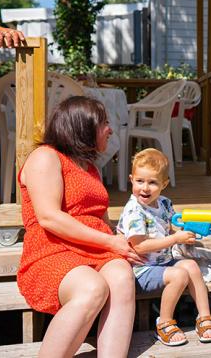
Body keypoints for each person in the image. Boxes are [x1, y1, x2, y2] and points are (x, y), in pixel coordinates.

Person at [16, 96, 141, 357]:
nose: (110, 129)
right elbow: (49, 218)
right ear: (82, 127)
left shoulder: (90, 168)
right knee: (92, 288)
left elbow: (100, 218)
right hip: (52, 250)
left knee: (121, 276)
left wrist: (126, 240)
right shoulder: (45, 157)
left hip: (95, 248)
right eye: (104, 123)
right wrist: (110, 242)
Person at [117, 149, 211, 346]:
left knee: (191, 266)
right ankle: (164, 322)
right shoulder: (134, 210)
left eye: (152, 182)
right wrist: (174, 240)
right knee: (179, 275)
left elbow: (169, 229)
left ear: (164, 184)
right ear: (131, 179)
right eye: (139, 181)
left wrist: (182, 235)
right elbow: (139, 247)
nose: (145, 188)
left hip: (162, 262)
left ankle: (205, 317)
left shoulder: (164, 203)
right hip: (140, 269)